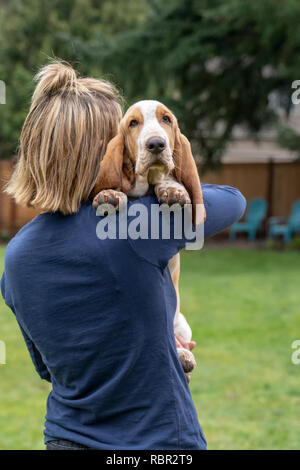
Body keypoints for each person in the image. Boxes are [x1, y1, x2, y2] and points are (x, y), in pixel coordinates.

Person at [1, 62, 246, 450]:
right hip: (158, 444)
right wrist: (164, 176)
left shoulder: (15, 257)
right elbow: (232, 202)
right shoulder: (135, 228)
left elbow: (48, 368)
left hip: (66, 438)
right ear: (109, 150)